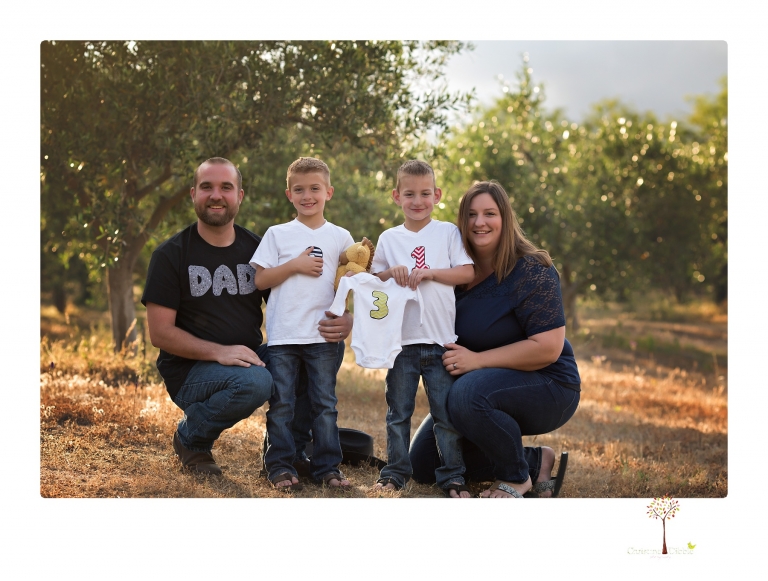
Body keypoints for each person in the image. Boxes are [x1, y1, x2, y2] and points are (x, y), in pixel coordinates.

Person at [142, 157, 350, 475]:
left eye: (226, 187)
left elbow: (298, 299)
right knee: (256, 382)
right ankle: (191, 438)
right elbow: (160, 334)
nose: (216, 195)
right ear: (193, 194)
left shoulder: (255, 247)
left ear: (239, 196)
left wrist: (344, 320)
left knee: (321, 345)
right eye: (207, 187)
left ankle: (288, 450)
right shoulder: (171, 255)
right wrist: (220, 353)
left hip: (249, 357)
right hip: (192, 372)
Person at [409, 180, 581, 498]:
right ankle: (534, 460)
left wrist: (477, 361)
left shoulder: (533, 271)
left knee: (465, 395)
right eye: (471, 214)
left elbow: (548, 348)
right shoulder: (452, 274)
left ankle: (516, 478)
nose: (479, 222)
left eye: (489, 213)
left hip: (548, 385)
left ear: (505, 218)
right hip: (480, 388)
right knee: (422, 465)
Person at [370, 160, 475, 497]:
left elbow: (466, 273)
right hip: (401, 342)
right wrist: (392, 273)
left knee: (445, 416)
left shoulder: (447, 232)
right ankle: (395, 472)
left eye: (425, 193)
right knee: (398, 413)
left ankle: (453, 476)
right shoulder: (389, 238)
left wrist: (429, 272)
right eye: (410, 194)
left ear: (438, 194)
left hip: (440, 340)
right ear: (396, 196)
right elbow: (373, 280)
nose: (418, 201)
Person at [251, 157, 353, 489]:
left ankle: (327, 468)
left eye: (315, 189)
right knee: (282, 404)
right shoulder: (278, 234)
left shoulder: (340, 236)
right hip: (283, 336)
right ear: (289, 194)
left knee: (324, 404)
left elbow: (347, 282)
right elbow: (261, 280)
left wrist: (347, 310)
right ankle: (280, 465)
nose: (307, 196)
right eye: (299, 190)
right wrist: (295, 265)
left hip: (323, 336)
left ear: (329, 192)